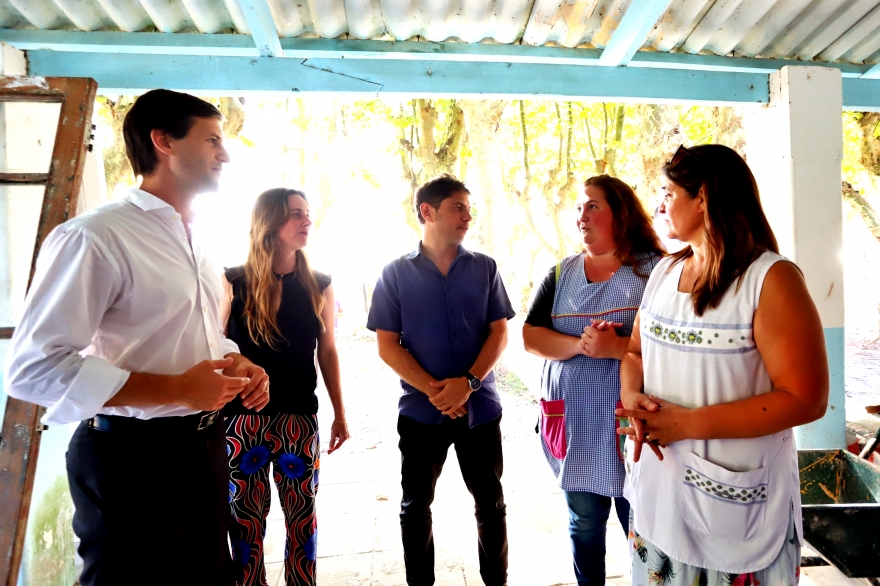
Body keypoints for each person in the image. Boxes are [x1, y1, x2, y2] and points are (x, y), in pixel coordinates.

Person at [3, 89, 270, 586]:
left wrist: (237, 363)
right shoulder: (95, 237)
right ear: (163, 141)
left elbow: (199, 336)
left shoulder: (200, 242)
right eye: (212, 139)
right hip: (129, 460)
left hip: (205, 447)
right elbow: (33, 370)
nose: (225, 154)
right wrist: (177, 390)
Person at [616, 144, 829, 585]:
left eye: (668, 192)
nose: (659, 204)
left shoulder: (770, 280)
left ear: (704, 198)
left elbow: (806, 399)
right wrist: (633, 398)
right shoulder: (663, 273)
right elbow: (635, 352)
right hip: (660, 494)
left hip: (735, 508)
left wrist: (687, 424)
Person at [367, 174, 515, 586]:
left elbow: (499, 332)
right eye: (458, 207)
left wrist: (466, 382)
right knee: (415, 506)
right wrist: (436, 391)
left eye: (469, 208)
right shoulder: (394, 273)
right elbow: (387, 345)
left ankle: (496, 581)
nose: (468, 216)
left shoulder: (485, 267)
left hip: (480, 410)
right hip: (420, 412)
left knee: (491, 503)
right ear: (427, 212)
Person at [523, 175, 664, 586]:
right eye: (579, 208)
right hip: (574, 421)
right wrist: (582, 346)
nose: (581, 216)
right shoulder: (560, 273)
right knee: (583, 525)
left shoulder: (656, 272)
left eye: (592, 206)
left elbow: (677, 347)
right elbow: (531, 336)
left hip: (630, 421)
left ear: (621, 213)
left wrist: (617, 347)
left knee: (642, 527)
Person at [221, 187, 349, 586]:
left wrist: (340, 413)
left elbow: (327, 351)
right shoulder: (231, 282)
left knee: (302, 520)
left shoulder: (320, 284)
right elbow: (214, 348)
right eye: (297, 213)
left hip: (299, 416)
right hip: (242, 420)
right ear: (270, 222)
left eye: (307, 213)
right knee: (245, 523)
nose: (307, 220)